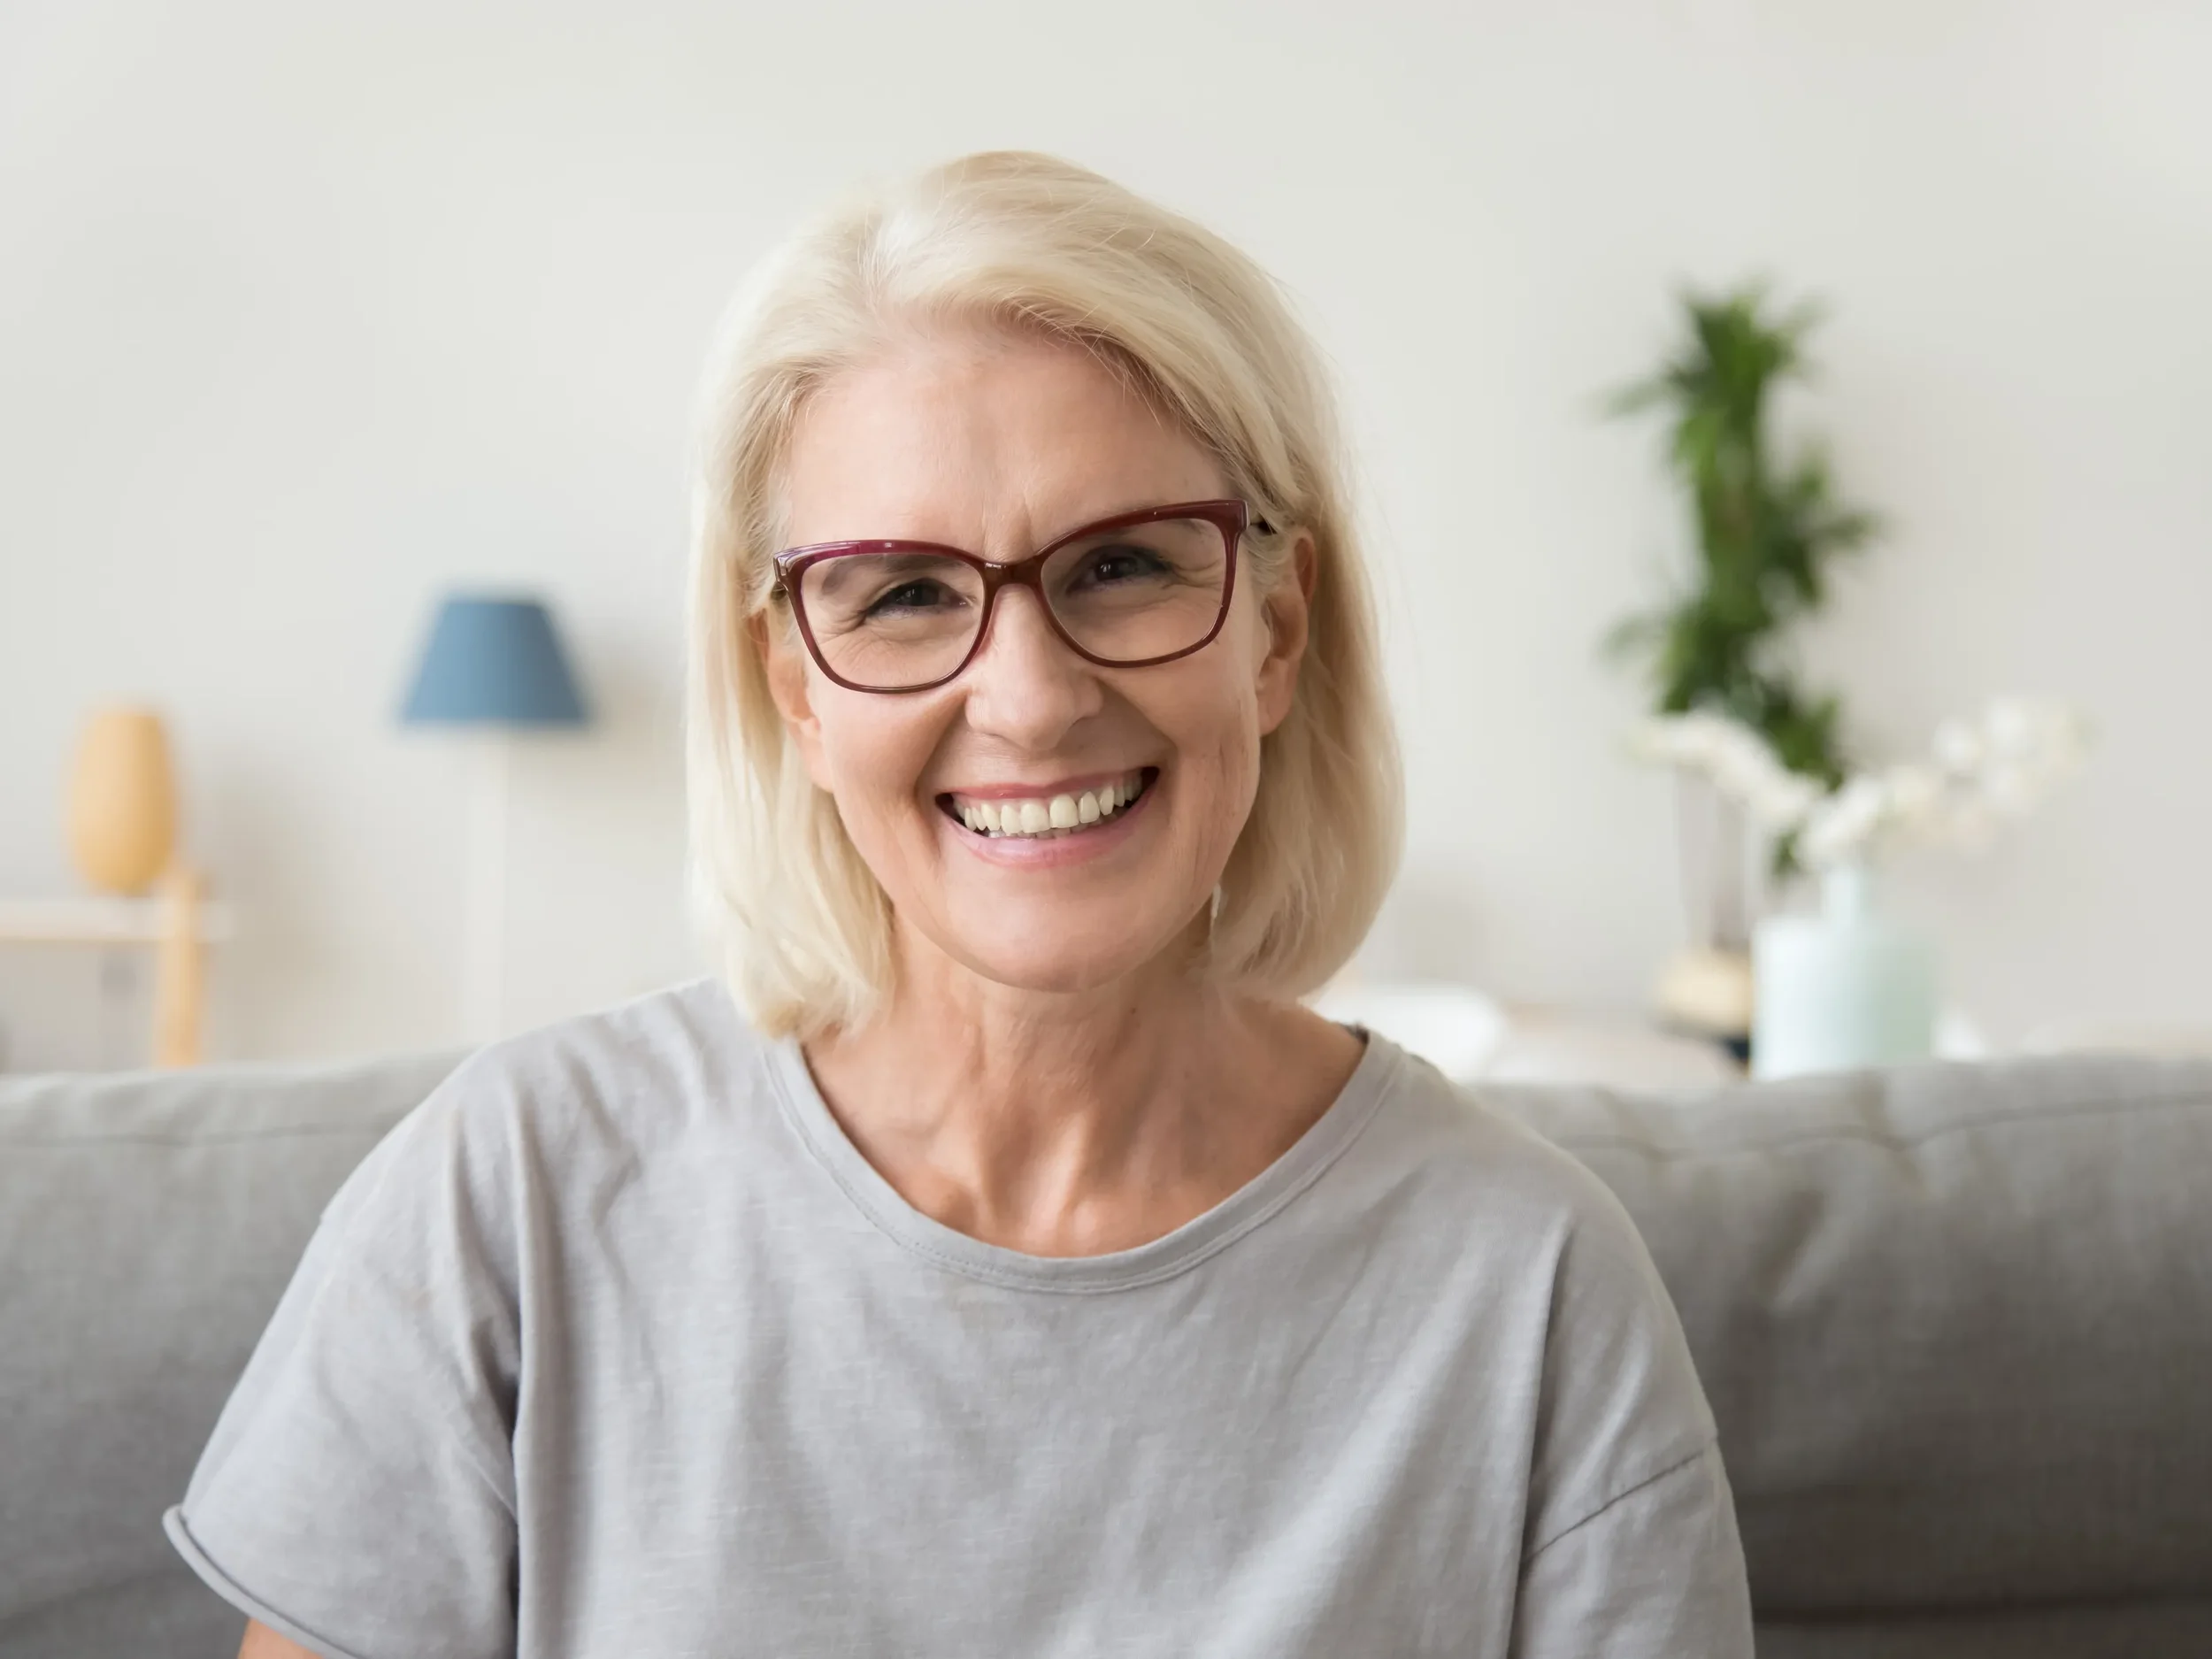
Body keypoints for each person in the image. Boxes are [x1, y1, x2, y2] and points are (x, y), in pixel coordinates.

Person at [166, 151, 1753, 1658]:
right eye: (907, 593)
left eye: (1123, 564)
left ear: (1274, 630)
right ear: (793, 680)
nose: (1032, 698)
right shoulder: (507, 1196)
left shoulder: (1532, 1286)